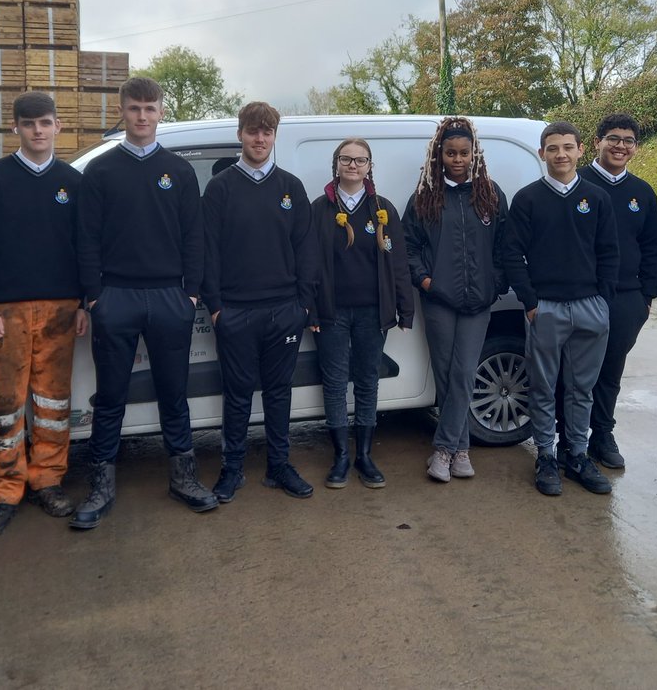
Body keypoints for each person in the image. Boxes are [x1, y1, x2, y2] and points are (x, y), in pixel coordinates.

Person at [71, 77, 216, 529]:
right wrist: (95, 297)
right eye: (134, 108)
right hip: (116, 297)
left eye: (149, 108)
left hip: (169, 298)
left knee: (174, 393)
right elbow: (86, 239)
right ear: (123, 111)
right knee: (111, 395)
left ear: (160, 112)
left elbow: (195, 236)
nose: (141, 116)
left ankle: (185, 477)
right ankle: (101, 484)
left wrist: (190, 292)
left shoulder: (179, 170)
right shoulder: (101, 171)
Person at [0, 91, 87, 539]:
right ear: (15, 127)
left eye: (46, 122)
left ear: (57, 127)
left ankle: (48, 480)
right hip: (6, 312)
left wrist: (83, 301)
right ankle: (4, 489)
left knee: (53, 402)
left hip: (59, 308)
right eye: (29, 123)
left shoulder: (72, 182)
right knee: (4, 403)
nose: (38, 130)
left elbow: (83, 248)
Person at [201, 101, 317, 501]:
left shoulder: (290, 187)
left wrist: (302, 305)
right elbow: (208, 252)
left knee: (278, 392)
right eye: (253, 131)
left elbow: (306, 249)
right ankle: (232, 468)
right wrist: (216, 308)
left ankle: (278, 466)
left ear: (274, 136)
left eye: (267, 131)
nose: (260, 138)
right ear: (240, 135)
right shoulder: (220, 188)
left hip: (283, 311)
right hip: (235, 312)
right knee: (236, 394)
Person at [504, 121, 619, 497]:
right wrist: (531, 301)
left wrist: (603, 300)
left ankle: (579, 455)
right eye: (553, 148)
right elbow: (511, 253)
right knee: (542, 386)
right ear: (542, 153)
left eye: (568, 147)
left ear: (580, 150)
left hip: (589, 307)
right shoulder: (527, 199)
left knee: (581, 388)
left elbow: (608, 253)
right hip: (547, 308)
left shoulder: (597, 198)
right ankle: (547, 456)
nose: (561, 155)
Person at [402, 116, 507, 483]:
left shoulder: (490, 195)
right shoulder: (424, 198)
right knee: (447, 376)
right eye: (450, 153)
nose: (457, 159)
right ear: (439, 154)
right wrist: (427, 282)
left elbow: (504, 246)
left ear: (474, 154)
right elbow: (409, 248)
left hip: (479, 302)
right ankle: (461, 450)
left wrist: (496, 283)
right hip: (439, 301)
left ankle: (444, 449)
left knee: (464, 373)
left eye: (464, 153)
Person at [311, 138, 414, 489]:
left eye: (360, 160)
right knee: (336, 383)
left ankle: (365, 456)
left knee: (368, 382)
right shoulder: (319, 209)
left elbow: (398, 263)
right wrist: (310, 308)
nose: (353, 165)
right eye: (346, 159)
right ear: (336, 164)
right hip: (331, 313)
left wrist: (405, 309)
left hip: (373, 312)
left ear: (370, 166)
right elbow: (308, 265)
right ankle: (340, 456)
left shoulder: (383, 209)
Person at [565, 113, 657, 469]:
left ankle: (602, 435)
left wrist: (645, 297)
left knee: (610, 371)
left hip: (626, 298)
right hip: (581, 295)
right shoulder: (575, 183)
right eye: (614, 138)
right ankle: (567, 439)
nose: (621, 146)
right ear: (597, 142)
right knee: (572, 372)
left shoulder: (642, 193)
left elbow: (653, 246)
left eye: (628, 140)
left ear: (635, 147)